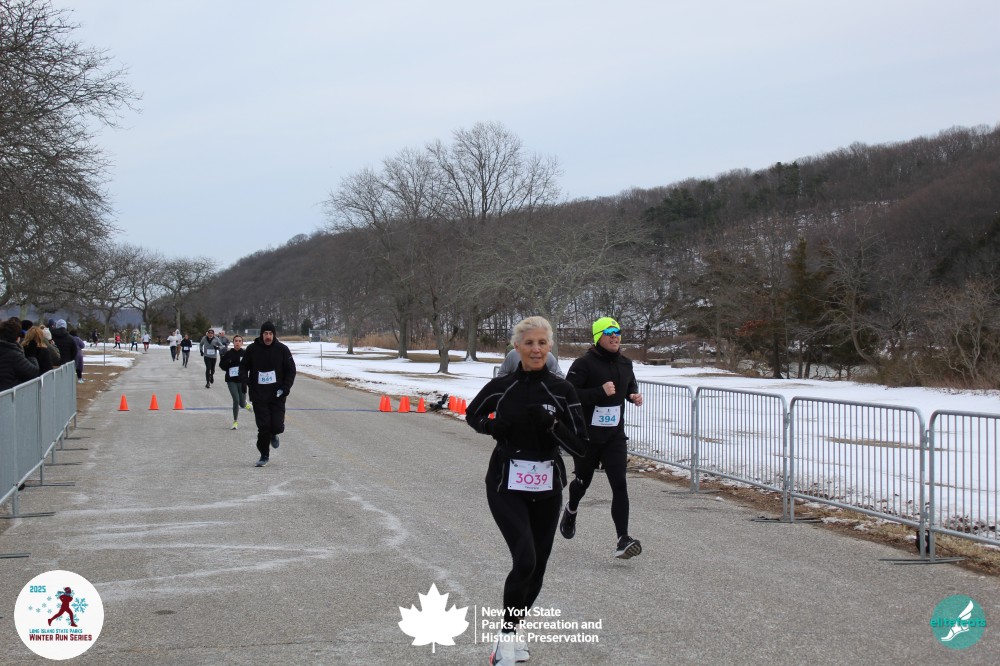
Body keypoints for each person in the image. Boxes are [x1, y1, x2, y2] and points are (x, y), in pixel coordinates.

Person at [465, 316, 588, 665]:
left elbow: (581, 446)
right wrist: (492, 427)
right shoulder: (502, 386)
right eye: (529, 343)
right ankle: (505, 640)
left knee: (538, 568)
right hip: (506, 483)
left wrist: (553, 425)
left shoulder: (562, 390)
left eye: (542, 343)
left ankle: (514, 629)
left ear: (550, 347)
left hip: (547, 485)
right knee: (525, 559)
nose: (536, 349)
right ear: (517, 347)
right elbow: (473, 415)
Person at [560, 317, 644, 560]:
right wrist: (599, 392)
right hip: (587, 437)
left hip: (614, 436)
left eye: (617, 331)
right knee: (582, 482)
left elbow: (629, 385)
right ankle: (571, 509)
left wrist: (633, 395)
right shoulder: (583, 364)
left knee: (620, 485)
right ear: (598, 337)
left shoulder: (626, 363)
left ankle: (623, 539)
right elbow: (568, 394)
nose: (615, 336)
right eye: (609, 332)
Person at [239, 321, 295, 467]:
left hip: (277, 395)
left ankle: (273, 434)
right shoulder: (252, 349)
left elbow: (291, 370)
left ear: (274, 335)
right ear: (261, 334)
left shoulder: (282, 349)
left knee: (277, 426)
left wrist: (285, 387)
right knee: (264, 427)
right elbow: (243, 367)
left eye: (270, 333)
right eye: (265, 333)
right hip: (259, 395)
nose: (268, 336)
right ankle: (264, 455)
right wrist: (245, 382)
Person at [0, 317, 40, 392]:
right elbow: (33, 372)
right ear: (17, 338)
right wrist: (31, 356)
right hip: (8, 393)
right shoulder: (14, 355)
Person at [219, 334, 250, 430]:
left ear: (242, 343)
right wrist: (227, 362)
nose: (237, 343)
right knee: (236, 400)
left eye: (239, 341)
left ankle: (246, 404)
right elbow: (221, 365)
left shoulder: (245, 353)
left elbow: (250, 366)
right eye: (236, 341)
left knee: (242, 404)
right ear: (233, 342)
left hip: (242, 380)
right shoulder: (228, 353)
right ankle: (235, 422)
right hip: (231, 380)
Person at [496, 347, 563, 378]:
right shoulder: (513, 354)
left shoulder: (547, 355)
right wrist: (515, 382)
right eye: (529, 342)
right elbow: (501, 374)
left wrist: (546, 381)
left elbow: (560, 376)